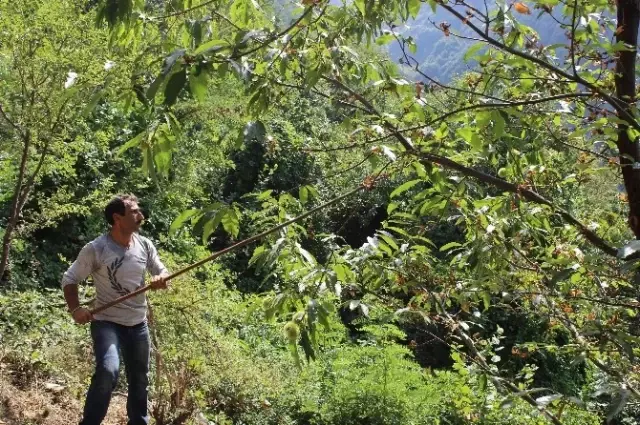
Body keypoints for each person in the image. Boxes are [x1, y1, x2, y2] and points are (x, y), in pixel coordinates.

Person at [62, 194, 170, 425]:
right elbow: (69, 279)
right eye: (134, 212)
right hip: (106, 322)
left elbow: (161, 270)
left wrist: (161, 278)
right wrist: (75, 309)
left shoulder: (144, 245)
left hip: (138, 324)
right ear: (117, 218)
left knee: (140, 378)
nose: (141, 216)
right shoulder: (97, 249)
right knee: (108, 371)